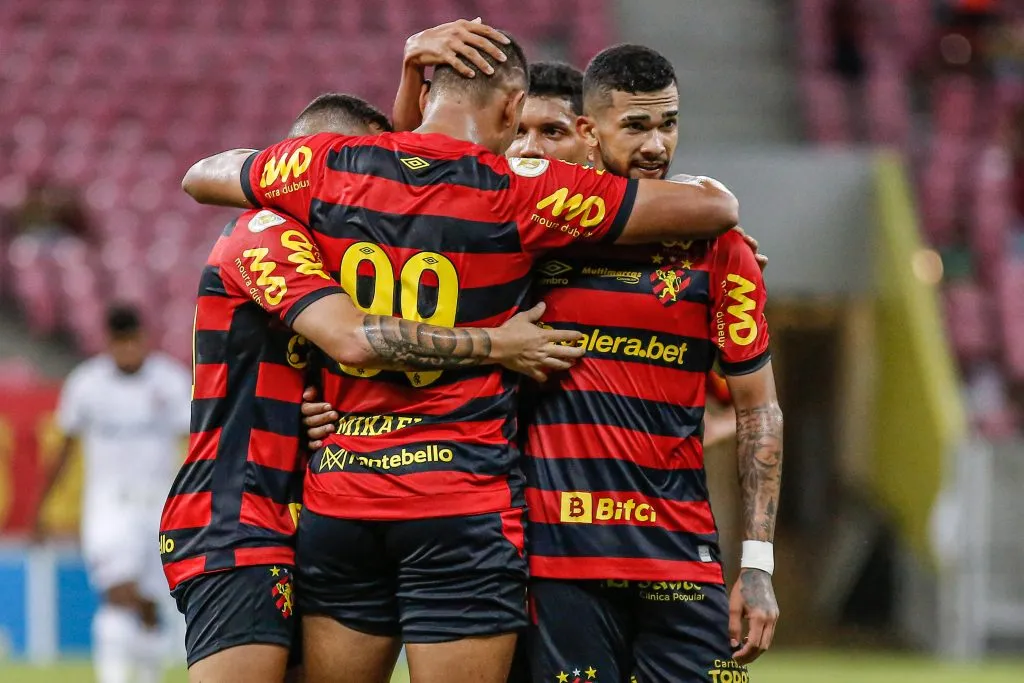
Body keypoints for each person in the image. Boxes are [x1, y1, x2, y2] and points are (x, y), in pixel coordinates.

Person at [181, 24, 740, 683]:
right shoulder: (519, 191)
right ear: (511, 109)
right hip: (461, 505)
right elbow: (713, 207)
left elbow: (202, 174)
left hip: (343, 498)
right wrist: (499, 344)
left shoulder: (324, 166)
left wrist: (404, 77)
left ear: (425, 92)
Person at [163, 91, 584, 683]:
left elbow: (420, 188)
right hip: (237, 515)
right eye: (368, 160)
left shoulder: (335, 250)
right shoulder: (262, 231)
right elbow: (353, 339)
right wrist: (498, 344)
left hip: (298, 508)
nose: (379, 177)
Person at [38, 304, 190, 683]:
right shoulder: (86, 383)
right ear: (108, 342)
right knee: (117, 590)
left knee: (151, 604)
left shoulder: (170, 381)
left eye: (132, 342)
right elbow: (66, 447)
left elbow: (194, 443)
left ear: (143, 338)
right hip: (108, 504)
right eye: (119, 343)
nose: (127, 351)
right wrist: (42, 507)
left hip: (159, 504)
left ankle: (149, 674)